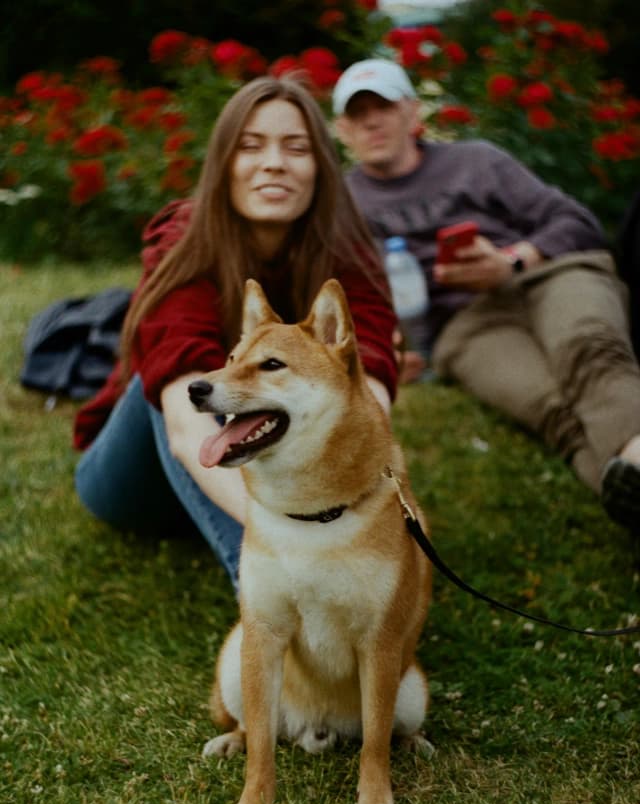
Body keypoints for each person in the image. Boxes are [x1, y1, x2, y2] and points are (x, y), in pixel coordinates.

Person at [73, 75, 398, 591]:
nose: (274, 162)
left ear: (320, 168)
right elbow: (184, 422)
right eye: (250, 146)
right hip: (139, 482)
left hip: (268, 464)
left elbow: (369, 379)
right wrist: (297, 538)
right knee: (183, 382)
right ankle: (262, 590)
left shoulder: (348, 252)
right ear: (223, 163)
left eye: (296, 147)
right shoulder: (183, 238)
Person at [332, 58, 640, 534]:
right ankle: (623, 486)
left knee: (589, 350)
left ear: (413, 112)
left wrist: (511, 260)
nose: (372, 120)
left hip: (548, 276)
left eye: (385, 106)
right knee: (549, 407)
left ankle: (636, 458)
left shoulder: (476, 161)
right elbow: (348, 298)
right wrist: (390, 352)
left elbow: (579, 223)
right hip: (469, 324)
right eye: (357, 113)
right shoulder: (341, 205)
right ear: (342, 129)